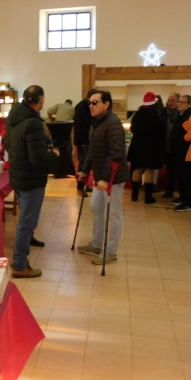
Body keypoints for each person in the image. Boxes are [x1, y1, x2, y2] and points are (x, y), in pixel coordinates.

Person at [4, 85, 60, 279]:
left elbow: (6, 143)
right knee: (26, 223)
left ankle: (29, 239)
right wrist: (53, 155)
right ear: (41, 100)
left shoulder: (14, 116)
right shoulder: (33, 123)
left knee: (27, 220)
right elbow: (38, 159)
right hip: (31, 179)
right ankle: (19, 265)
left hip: (18, 175)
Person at [77, 90, 129, 265]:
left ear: (106, 104)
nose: (91, 106)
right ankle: (97, 244)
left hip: (113, 177)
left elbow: (116, 155)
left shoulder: (113, 125)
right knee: (96, 207)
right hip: (100, 176)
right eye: (89, 103)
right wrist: (85, 170)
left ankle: (111, 251)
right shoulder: (97, 123)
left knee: (114, 214)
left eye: (95, 103)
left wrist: (106, 179)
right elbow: (92, 149)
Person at [127, 92, 165, 204]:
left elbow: (132, 129)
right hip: (151, 146)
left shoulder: (137, 114)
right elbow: (161, 132)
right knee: (149, 170)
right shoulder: (155, 116)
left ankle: (134, 195)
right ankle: (148, 197)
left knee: (137, 169)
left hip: (137, 145)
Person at [170, 95, 191, 212]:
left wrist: (186, 137)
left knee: (186, 177)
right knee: (181, 176)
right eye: (179, 101)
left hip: (187, 153)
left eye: (183, 102)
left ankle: (187, 203)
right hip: (180, 152)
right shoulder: (183, 115)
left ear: (190, 104)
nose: (179, 104)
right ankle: (183, 197)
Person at [73, 90, 97, 197]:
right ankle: (79, 187)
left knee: (87, 164)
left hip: (87, 140)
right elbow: (78, 126)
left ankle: (84, 185)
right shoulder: (82, 107)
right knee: (83, 164)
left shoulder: (87, 106)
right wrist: (81, 142)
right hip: (83, 141)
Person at [160, 93, 181, 199]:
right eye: (169, 100)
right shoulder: (163, 113)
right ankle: (169, 191)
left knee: (180, 173)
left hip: (178, 148)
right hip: (166, 147)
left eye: (173, 100)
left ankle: (181, 194)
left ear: (178, 101)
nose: (170, 103)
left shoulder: (182, 114)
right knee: (169, 172)